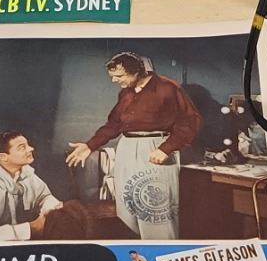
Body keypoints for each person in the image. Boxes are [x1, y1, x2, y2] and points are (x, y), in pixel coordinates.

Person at [65, 51, 201, 239]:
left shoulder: (167, 88)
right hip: (127, 149)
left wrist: (166, 149)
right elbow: (114, 124)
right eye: (113, 76)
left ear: (136, 71)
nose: (114, 80)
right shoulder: (125, 93)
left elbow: (190, 121)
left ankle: (160, 250)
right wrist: (90, 146)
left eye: (119, 76)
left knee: (155, 209)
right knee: (127, 207)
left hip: (155, 149)